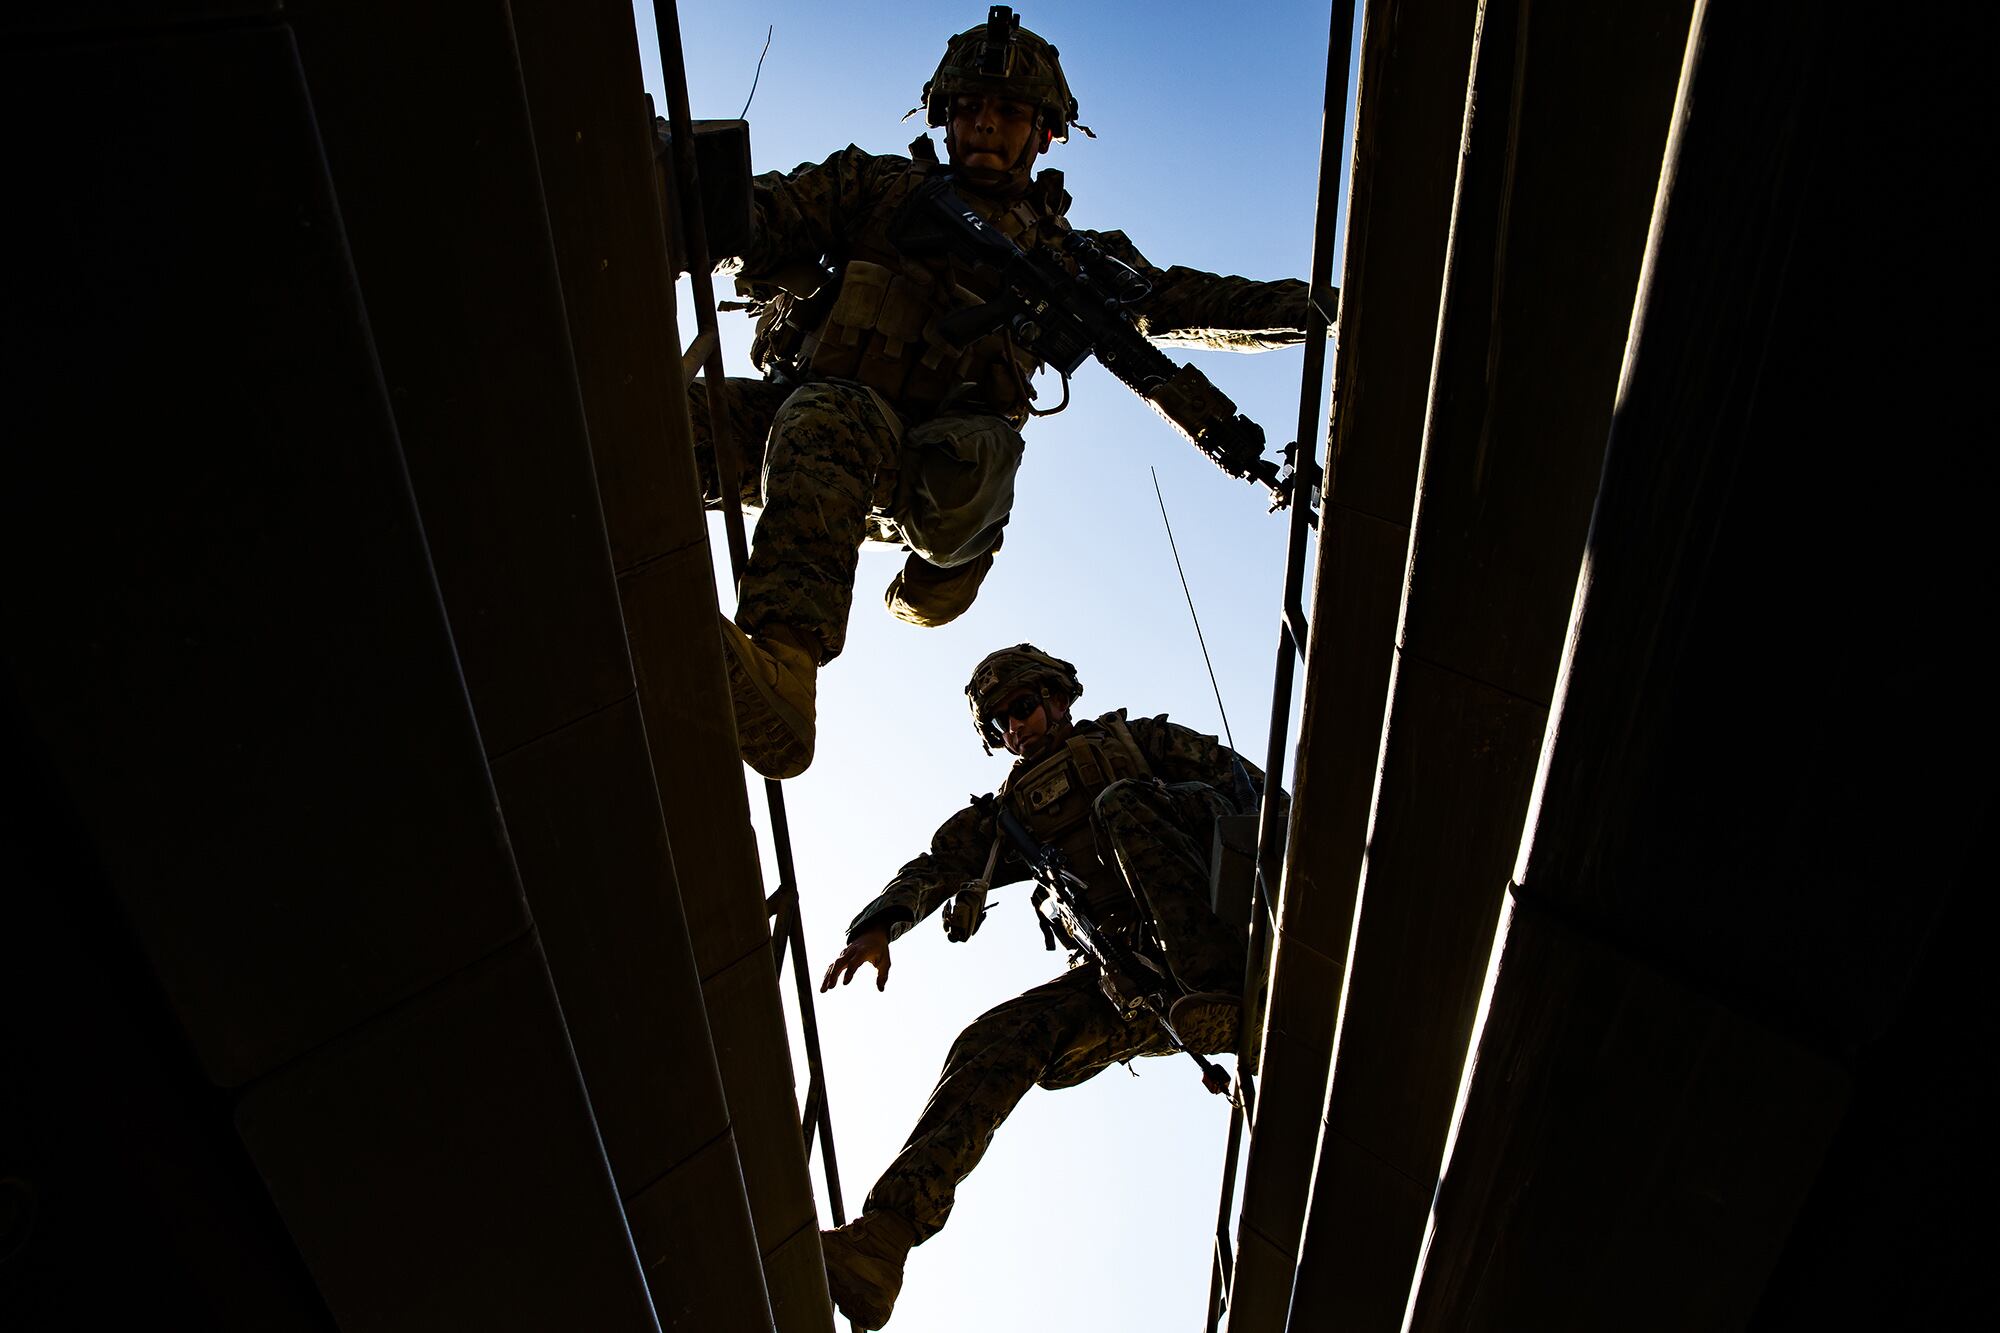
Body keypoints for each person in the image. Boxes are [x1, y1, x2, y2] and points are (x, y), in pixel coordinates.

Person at [698, 7, 1322, 777]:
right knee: (671, 421)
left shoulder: (1068, 257)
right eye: (969, 108)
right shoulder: (879, 188)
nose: (985, 126)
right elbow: (760, 216)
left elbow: (1189, 302)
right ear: (945, 116)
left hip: (927, 481)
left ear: (1045, 133)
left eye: (1010, 112)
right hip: (801, 440)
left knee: (834, 414)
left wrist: (1326, 309)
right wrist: (675, 197)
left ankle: (786, 675)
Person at [812, 644, 1283, 1329]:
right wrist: (880, 924)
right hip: (1146, 988)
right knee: (996, 1038)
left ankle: (1220, 994)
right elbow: (941, 863)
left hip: (1232, 930)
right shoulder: (1011, 819)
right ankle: (884, 1239)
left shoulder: (1137, 741)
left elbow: (1252, 791)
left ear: (1057, 698)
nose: (1016, 729)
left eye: (1023, 708)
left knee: (1124, 803)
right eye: (999, 726)